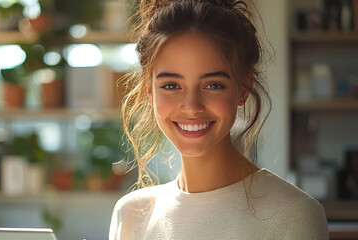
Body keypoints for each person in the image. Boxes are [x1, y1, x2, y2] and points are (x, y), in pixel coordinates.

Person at [109, 0, 329, 239]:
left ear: (243, 89)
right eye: (171, 85)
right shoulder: (131, 214)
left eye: (213, 85)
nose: (192, 107)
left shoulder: (294, 215)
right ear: (150, 92)